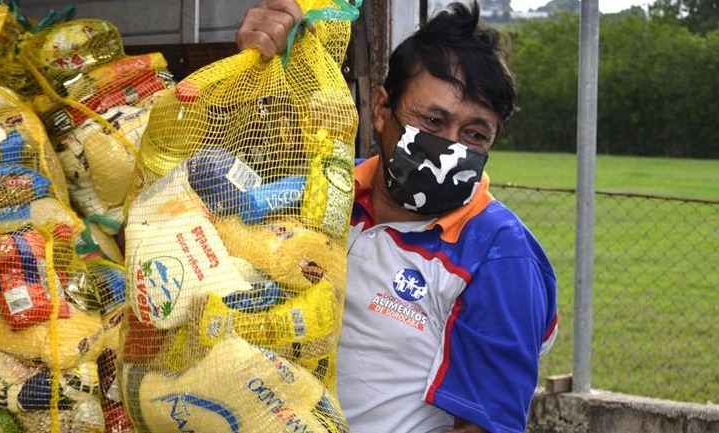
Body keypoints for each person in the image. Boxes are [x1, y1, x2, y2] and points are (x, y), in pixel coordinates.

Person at [236, 1, 559, 432]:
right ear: (382, 109)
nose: (450, 147)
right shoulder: (320, 190)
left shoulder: (498, 255)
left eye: (474, 134)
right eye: (433, 120)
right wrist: (254, 60)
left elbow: (483, 426)